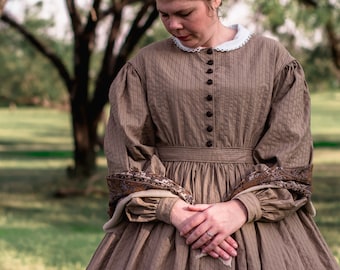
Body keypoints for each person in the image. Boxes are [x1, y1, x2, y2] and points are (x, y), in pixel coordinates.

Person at [87, 0, 339, 269]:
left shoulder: (274, 59)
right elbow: (128, 151)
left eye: (184, 13)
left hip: (257, 213)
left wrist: (241, 209)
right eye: (164, 15)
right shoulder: (143, 65)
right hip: (166, 218)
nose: (173, 25)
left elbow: (291, 149)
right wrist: (175, 213)